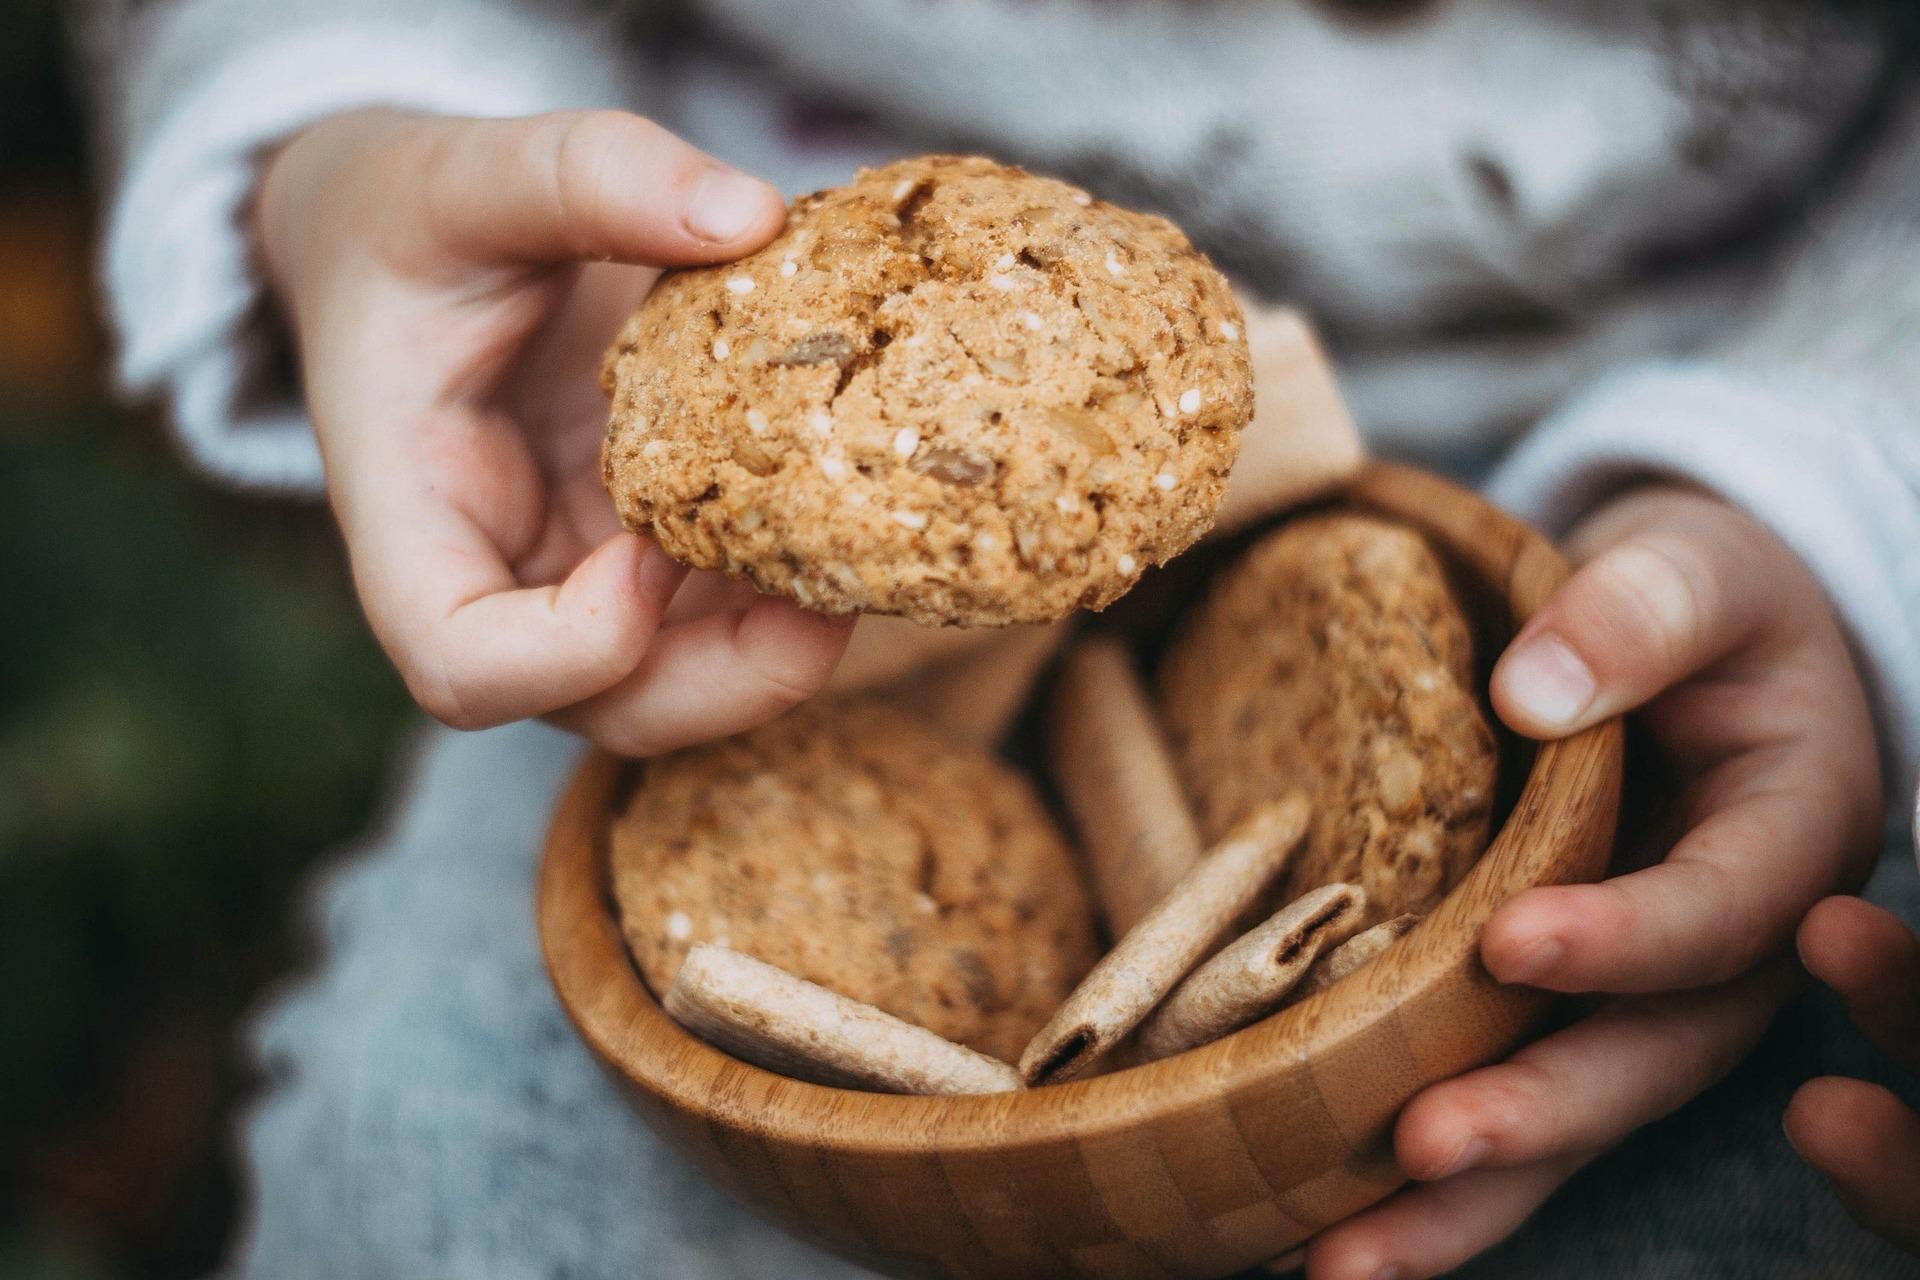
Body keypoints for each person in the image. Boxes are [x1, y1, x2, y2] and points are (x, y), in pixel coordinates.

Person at [85, 1, 1920, 1275]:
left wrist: (1823, 475)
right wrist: (349, 150)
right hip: (694, 534)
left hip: (1724, 487)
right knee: (432, 1159)